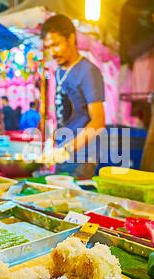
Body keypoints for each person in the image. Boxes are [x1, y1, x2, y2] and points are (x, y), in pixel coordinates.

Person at [41, 14, 106, 178]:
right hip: (62, 153)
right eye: (48, 47)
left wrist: (68, 149)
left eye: (56, 45)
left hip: (82, 157)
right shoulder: (59, 71)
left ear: (70, 38)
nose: (52, 52)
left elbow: (98, 122)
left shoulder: (89, 72)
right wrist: (53, 143)